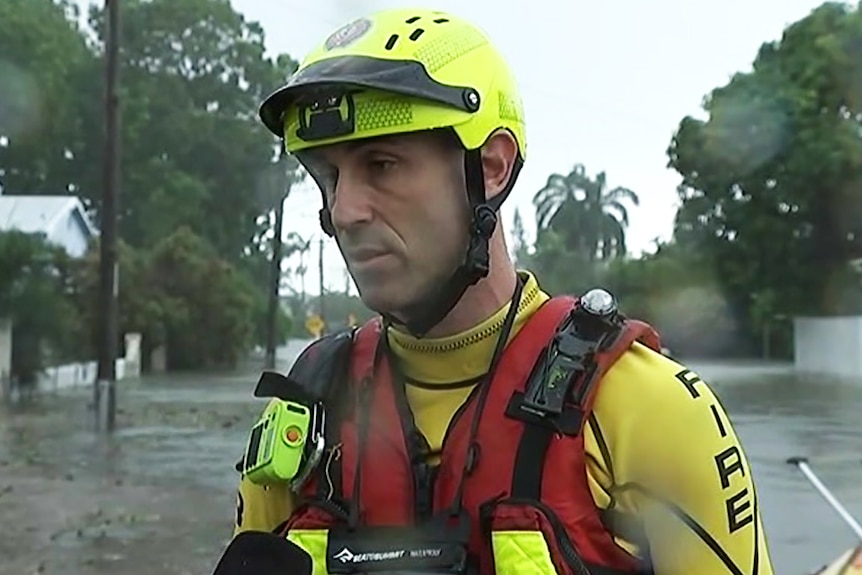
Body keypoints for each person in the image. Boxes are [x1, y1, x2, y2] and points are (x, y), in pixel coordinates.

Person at [234, 7, 775, 575]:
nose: (344, 210)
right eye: (329, 176)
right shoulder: (304, 412)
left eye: (382, 164)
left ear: (491, 166)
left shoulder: (649, 410)